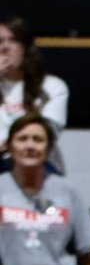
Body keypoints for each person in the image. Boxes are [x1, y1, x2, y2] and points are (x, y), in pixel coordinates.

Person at [0, 112, 90, 265]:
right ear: (10, 146)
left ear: (48, 148)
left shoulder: (67, 190)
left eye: (38, 139)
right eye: (22, 139)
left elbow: (89, 252)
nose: (30, 145)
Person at [0, 16, 67, 169]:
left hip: (39, 166)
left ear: (25, 47)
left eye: (13, 41)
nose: (5, 48)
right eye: (0, 42)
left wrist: (8, 144)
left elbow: (46, 135)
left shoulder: (52, 86)